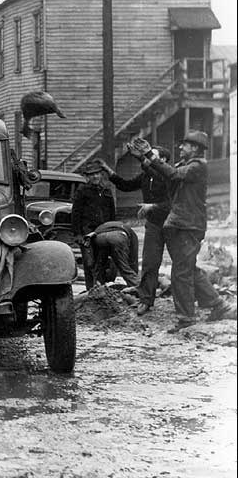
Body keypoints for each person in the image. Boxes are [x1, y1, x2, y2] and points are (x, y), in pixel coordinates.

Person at [130, 132, 236, 331]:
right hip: (182, 224)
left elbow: (172, 174)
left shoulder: (198, 166)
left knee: (181, 272)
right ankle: (218, 304)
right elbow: (163, 175)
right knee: (187, 268)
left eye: (184, 145)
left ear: (195, 148)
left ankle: (186, 318)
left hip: (189, 225)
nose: (179, 148)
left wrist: (150, 156)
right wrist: (143, 158)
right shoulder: (184, 166)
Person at [98, 147, 172, 315]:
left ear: (164, 161)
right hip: (154, 225)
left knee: (183, 264)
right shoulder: (147, 176)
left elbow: (173, 204)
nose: (145, 160)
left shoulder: (170, 177)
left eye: (150, 156)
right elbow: (126, 185)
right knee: (149, 263)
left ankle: (202, 298)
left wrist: (152, 206)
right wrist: (109, 171)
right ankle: (146, 300)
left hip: (172, 224)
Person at [71, 159, 116, 290]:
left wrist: (112, 228)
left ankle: (100, 290)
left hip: (103, 231)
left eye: (97, 173)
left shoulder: (107, 191)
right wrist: (78, 234)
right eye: (92, 175)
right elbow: (76, 213)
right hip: (87, 232)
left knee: (102, 261)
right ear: (87, 177)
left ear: (101, 174)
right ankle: (90, 291)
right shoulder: (82, 191)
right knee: (89, 263)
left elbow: (112, 212)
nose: (95, 176)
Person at [87, 220, 139, 287]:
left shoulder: (104, 225)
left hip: (99, 237)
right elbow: (133, 261)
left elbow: (94, 260)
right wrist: (134, 275)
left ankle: (97, 288)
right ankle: (138, 288)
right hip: (118, 237)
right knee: (125, 268)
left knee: (99, 268)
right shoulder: (132, 235)